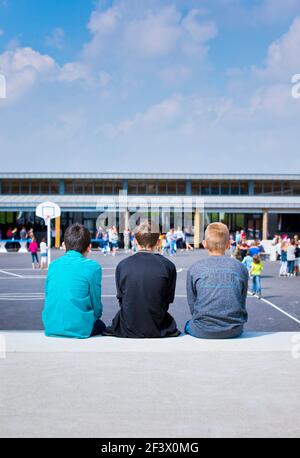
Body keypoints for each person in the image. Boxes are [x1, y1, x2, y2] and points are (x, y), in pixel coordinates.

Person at [104, 221, 180, 338]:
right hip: (157, 325)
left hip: (128, 325)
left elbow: (121, 298)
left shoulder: (123, 265)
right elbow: (167, 299)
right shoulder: (168, 266)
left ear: (135, 241)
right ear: (158, 241)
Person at [185, 222, 248, 339]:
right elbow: (242, 300)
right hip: (234, 329)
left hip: (202, 329)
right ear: (229, 244)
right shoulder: (240, 267)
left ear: (204, 244)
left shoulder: (195, 268)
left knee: (187, 325)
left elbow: (192, 302)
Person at [42, 223, 105, 339]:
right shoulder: (93, 267)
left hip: (51, 326)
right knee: (101, 326)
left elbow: (49, 295)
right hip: (80, 328)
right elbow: (96, 306)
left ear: (63, 245)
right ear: (89, 247)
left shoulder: (53, 266)